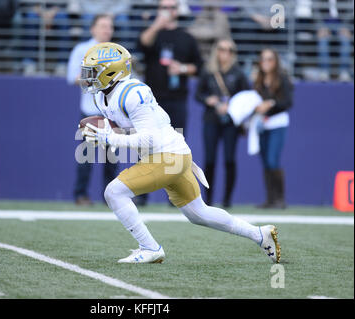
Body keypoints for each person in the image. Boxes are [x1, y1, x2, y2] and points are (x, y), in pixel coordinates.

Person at [80, 42, 280, 264]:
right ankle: (259, 234)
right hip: (168, 154)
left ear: (111, 71)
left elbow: (149, 138)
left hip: (167, 155)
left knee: (114, 192)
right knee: (198, 213)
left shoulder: (133, 93)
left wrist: (109, 138)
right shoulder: (101, 96)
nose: (88, 77)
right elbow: (130, 128)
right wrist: (109, 132)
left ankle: (149, 247)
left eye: (94, 71)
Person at [137, 0, 202, 206]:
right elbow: (142, 45)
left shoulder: (186, 37)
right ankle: (142, 193)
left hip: (177, 100)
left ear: (177, 10)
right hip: (151, 102)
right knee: (147, 146)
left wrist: (181, 69)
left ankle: (174, 197)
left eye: (172, 7)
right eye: (164, 7)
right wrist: (157, 24)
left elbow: (199, 67)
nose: (168, 10)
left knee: (177, 147)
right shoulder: (152, 33)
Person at [67, 14, 118, 206]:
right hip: (90, 111)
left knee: (111, 158)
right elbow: (72, 77)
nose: (107, 30)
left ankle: (112, 197)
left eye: (110, 26)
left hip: (111, 112)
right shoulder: (82, 49)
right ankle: (81, 194)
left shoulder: (116, 52)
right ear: (93, 29)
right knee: (86, 157)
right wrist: (98, 75)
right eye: (103, 25)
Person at [195, 39, 250, 207]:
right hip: (211, 119)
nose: (224, 53)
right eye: (221, 49)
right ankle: (209, 199)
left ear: (233, 53)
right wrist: (209, 100)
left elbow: (246, 96)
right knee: (210, 160)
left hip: (230, 122)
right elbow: (198, 94)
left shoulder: (238, 73)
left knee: (229, 159)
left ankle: (227, 199)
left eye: (228, 50)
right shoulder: (208, 71)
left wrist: (231, 104)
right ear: (216, 51)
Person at [254, 48, 294, 209]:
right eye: (263, 59)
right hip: (262, 124)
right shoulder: (258, 80)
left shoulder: (282, 79)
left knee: (272, 159)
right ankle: (270, 199)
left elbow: (287, 102)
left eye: (270, 59)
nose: (266, 62)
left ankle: (280, 199)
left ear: (275, 61)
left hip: (277, 123)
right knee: (264, 160)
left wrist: (270, 104)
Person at [315, 0, 353, 81]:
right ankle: (324, 72)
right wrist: (320, 27)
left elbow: (350, 10)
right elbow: (315, 11)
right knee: (323, 40)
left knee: (345, 40)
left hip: (342, 24)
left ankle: (344, 72)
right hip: (324, 24)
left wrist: (345, 27)